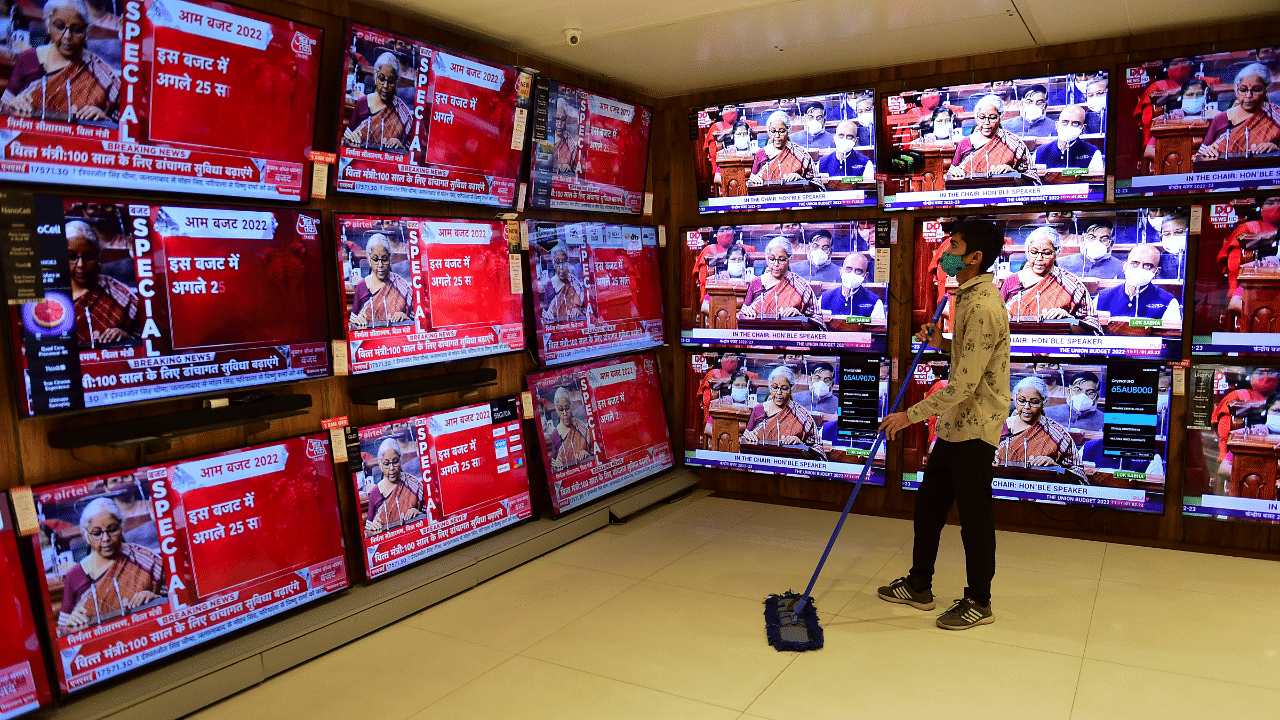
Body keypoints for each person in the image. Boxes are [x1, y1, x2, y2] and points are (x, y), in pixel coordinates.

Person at [877, 219, 1010, 631]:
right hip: (954, 426)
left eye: (954, 244)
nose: (945, 251)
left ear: (975, 257)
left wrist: (907, 415)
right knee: (929, 504)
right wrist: (943, 344)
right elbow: (972, 354)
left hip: (975, 427)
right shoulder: (965, 296)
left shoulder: (984, 305)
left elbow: (965, 384)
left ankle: (979, 601)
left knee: (974, 518)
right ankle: (920, 584)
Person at [57, 498, 164, 634]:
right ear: (86, 535)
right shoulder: (75, 575)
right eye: (97, 533)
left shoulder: (144, 560)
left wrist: (154, 598)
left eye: (112, 530)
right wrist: (71, 623)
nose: (106, 538)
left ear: (121, 527)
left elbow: (175, 598)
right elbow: (62, 631)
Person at [1, 0, 119, 123]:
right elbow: (3, 109)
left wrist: (104, 118)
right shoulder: (28, 59)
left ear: (86, 31)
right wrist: (14, 104)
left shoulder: (95, 69)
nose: (67, 36)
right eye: (59, 27)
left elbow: (125, 119)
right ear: (48, 26)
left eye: (76, 29)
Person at [999, 225, 1101, 332]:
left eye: (1046, 253)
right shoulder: (1012, 281)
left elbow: (1092, 328)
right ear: (1027, 252)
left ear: (1057, 253)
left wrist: (1069, 320)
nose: (1039, 258)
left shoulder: (1072, 285)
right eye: (1033, 252)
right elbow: (994, 319)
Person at [68, 220, 140, 349]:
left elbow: (146, 339)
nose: (80, 265)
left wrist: (126, 338)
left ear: (98, 256)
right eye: (72, 257)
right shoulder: (50, 292)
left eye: (89, 257)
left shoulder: (121, 297)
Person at [996, 376, 1083, 476]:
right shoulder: (1001, 427)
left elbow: (1078, 474)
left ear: (1044, 402)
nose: (1026, 407)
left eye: (1034, 402)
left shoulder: (1056, 434)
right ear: (1015, 400)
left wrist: (1056, 468)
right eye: (1022, 401)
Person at [1196, 63, 1280, 159]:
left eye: (1256, 90)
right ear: (1236, 91)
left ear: (1266, 90)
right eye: (1243, 90)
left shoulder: (1276, 116)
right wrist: (1207, 152)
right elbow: (1199, 157)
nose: (1248, 96)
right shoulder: (1221, 119)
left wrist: (1276, 148)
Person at [738, 236, 823, 326]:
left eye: (781, 260)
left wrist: (800, 317)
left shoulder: (801, 286)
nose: (776, 264)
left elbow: (818, 323)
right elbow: (742, 315)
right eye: (772, 259)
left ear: (789, 259)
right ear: (767, 258)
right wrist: (747, 312)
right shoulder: (756, 283)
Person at [740, 365, 823, 456]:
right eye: (775, 388)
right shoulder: (759, 409)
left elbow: (818, 450)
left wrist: (801, 445)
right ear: (770, 387)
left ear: (791, 389)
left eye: (784, 389)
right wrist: (749, 437)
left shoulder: (801, 415)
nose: (778, 393)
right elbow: (743, 440)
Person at [947, 94, 1031, 180]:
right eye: (982, 118)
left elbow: (1032, 178)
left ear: (1000, 118)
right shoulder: (965, 143)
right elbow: (949, 176)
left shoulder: (1014, 144)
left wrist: (1013, 173)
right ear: (976, 117)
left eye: (992, 118)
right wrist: (955, 172)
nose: (986, 122)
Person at [343, 51, 413, 151]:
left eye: (391, 81)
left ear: (397, 82)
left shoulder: (403, 114)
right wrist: (351, 138)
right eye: (381, 79)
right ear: (375, 77)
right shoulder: (362, 103)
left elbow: (411, 154)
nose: (385, 86)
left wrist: (401, 147)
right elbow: (345, 142)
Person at [1095, 243, 1181, 323]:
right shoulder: (1103, 297)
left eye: (1147, 266)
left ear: (1157, 272)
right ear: (1124, 266)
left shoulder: (1168, 302)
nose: (1140, 269)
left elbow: (1171, 336)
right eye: (1134, 263)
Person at [1217, 197, 1279, 303]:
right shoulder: (1249, 227)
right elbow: (1234, 265)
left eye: (1279, 202)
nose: (1277, 207)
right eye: (1270, 203)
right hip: (1250, 285)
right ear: (1261, 208)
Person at [350, 234, 414, 329]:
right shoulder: (361, 286)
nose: (380, 265)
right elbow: (353, 323)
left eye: (384, 259)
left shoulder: (401, 286)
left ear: (390, 258)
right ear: (369, 260)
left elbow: (416, 321)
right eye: (375, 260)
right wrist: (358, 321)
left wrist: (406, 318)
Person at [364, 438, 426, 536]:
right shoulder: (375, 493)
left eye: (395, 462)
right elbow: (368, 526)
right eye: (387, 464)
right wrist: (373, 526)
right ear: (381, 465)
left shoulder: (413, 484)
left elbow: (430, 513)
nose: (391, 468)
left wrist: (418, 512)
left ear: (400, 461)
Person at [749, 111, 817, 186]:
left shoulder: (800, 154)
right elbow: (751, 182)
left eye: (781, 131)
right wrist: (755, 179)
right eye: (773, 131)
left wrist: (800, 179)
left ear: (788, 131)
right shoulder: (761, 154)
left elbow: (816, 183)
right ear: (768, 131)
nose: (777, 135)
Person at [1034, 105, 1104, 174]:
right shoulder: (1040, 152)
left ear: (1083, 128)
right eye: (1065, 122)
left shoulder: (1092, 153)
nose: (1069, 127)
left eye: (1076, 123)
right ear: (1057, 125)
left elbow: (1095, 182)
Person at [820, 253, 884, 319]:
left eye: (858, 271)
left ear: (865, 276)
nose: (852, 274)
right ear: (841, 271)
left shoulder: (874, 302)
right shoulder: (825, 298)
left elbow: (877, 328)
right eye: (848, 269)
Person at [1056, 219, 1124, 279]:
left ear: (1111, 244)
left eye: (1104, 239)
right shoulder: (1062, 264)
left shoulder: (1121, 268)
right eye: (1092, 237)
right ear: (1083, 240)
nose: (1097, 242)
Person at [547, 386, 595, 471]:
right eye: (561, 410)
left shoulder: (580, 426)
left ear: (571, 407)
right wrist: (556, 463)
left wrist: (586, 453)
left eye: (567, 408)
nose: (565, 413)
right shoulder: (555, 434)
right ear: (557, 411)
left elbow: (596, 450)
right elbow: (552, 464)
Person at [540, 244, 586, 323]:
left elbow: (586, 309)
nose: (561, 267)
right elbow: (545, 313)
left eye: (564, 262)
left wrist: (579, 311)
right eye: (557, 262)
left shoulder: (575, 283)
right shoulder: (549, 285)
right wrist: (548, 314)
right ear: (553, 262)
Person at [1155, 214, 1189, 280]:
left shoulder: (1198, 256)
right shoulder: (1160, 259)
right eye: (1167, 234)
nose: (1173, 237)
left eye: (1179, 232)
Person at [551, 98, 580, 173]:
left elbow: (576, 168)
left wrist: (568, 167)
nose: (559, 123)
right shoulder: (548, 136)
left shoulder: (570, 144)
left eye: (563, 119)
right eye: (557, 119)